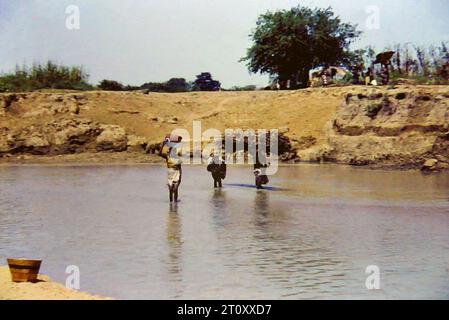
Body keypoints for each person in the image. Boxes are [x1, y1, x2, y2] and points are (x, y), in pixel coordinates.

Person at [159, 135, 183, 203]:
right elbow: (159, 154)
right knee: (170, 189)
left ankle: (174, 203)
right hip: (170, 172)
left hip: (177, 172)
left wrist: (180, 176)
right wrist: (163, 145)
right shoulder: (167, 156)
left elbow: (180, 167)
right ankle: (171, 203)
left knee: (175, 189)